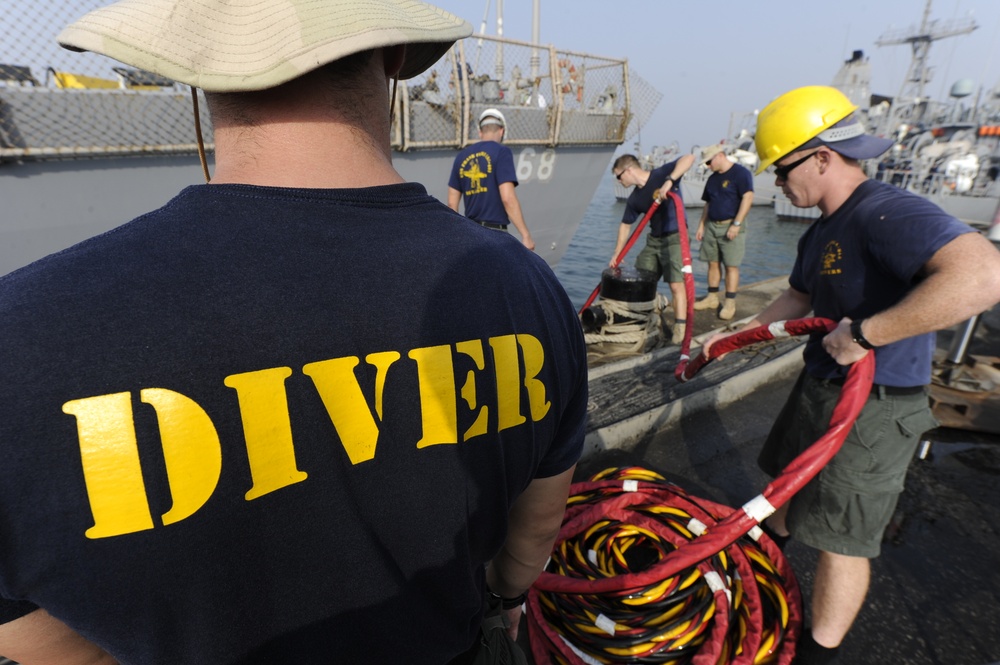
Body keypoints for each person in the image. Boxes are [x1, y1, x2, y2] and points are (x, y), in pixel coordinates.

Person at [0, 2, 589, 664]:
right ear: (393, 53)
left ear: (195, 70)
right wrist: (507, 601)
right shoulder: (528, 289)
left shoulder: (20, 335)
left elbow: (31, 634)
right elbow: (533, 533)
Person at [705, 85, 1000, 665]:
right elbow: (799, 295)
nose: (776, 184)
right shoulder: (821, 227)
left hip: (875, 405)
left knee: (841, 539)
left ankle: (818, 652)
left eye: (783, 168)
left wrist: (868, 334)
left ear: (821, 156)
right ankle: (759, 568)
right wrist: (736, 334)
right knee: (786, 486)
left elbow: (984, 275)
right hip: (819, 386)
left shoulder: (887, 212)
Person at [610, 152, 695, 344]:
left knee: (675, 283)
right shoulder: (634, 199)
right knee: (640, 279)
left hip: (676, 237)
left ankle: (680, 327)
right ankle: (649, 315)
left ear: (629, 170)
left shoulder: (662, 174)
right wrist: (617, 252)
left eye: (618, 176)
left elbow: (689, 158)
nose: (618, 180)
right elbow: (625, 225)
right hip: (654, 240)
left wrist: (669, 181)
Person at [448, 108, 535, 251]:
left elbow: (452, 205)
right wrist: (526, 235)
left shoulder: (461, 157)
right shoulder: (502, 152)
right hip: (496, 235)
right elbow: (508, 198)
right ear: (501, 131)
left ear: (480, 132)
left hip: (471, 234)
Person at [692, 144, 754, 320]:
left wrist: (736, 223)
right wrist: (701, 225)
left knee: (731, 265)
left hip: (731, 225)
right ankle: (712, 297)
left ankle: (729, 302)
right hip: (712, 225)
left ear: (719, 156)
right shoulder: (712, 179)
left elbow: (748, 197)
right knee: (712, 262)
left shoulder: (740, 173)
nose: (708, 165)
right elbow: (708, 203)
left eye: (709, 162)